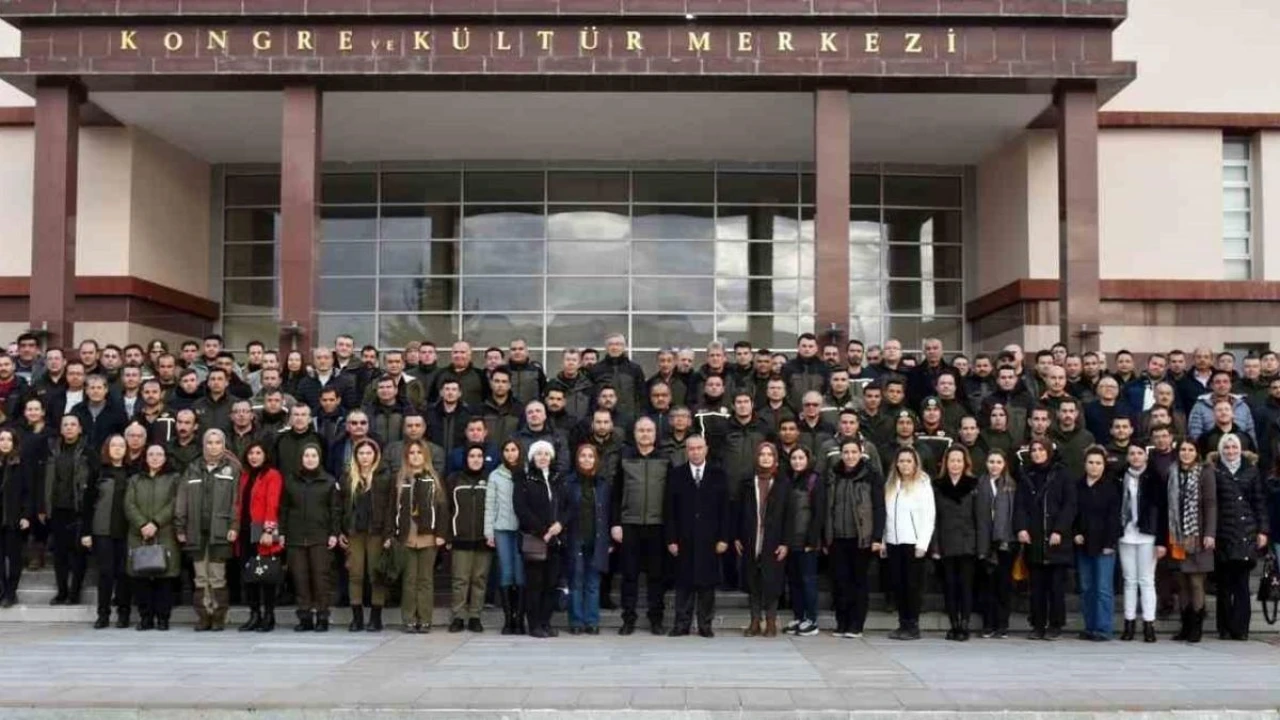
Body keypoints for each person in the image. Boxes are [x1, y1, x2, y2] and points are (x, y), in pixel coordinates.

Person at [175, 428, 241, 632]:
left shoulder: (232, 469)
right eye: (209, 443)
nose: (213, 447)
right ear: (203, 445)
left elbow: (237, 500)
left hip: (220, 530)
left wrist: (234, 525)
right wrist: (180, 525)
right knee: (200, 576)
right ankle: (204, 616)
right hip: (196, 531)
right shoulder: (193, 468)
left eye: (217, 442)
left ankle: (218, 616)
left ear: (224, 445)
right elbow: (182, 498)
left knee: (217, 575)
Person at [664, 435, 729, 638]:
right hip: (684, 537)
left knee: (707, 585)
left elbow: (725, 510)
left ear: (706, 449)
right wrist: (671, 539)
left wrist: (724, 538)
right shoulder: (676, 474)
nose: (695, 452)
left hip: (710, 539)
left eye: (699, 448)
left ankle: (705, 625)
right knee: (684, 584)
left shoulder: (718, 474)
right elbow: (669, 510)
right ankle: (681, 624)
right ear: (686, 451)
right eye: (691, 449)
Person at [612, 417, 672, 635]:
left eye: (649, 430)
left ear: (655, 434)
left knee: (657, 575)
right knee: (629, 575)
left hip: (657, 525)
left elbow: (670, 497)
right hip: (630, 524)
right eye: (641, 430)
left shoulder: (665, 459)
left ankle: (656, 619)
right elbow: (616, 494)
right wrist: (616, 523)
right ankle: (628, 619)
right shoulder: (625, 458)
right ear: (635, 434)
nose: (645, 434)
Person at [1015, 439, 1076, 640]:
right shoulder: (1026, 474)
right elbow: (1020, 504)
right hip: (1035, 538)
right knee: (1037, 587)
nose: (1037, 453)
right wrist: (1021, 528)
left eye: (1041, 449)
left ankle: (1055, 624)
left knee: (1056, 587)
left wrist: (1059, 530)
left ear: (1049, 451)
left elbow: (1069, 505)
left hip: (1056, 539)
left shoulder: (1062, 474)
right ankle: (1038, 624)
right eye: (1033, 450)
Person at [824, 438, 884, 639]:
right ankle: (841, 623)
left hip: (861, 538)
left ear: (861, 453)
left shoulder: (871, 475)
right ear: (841, 454)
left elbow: (879, 507)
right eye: (846, 452)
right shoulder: (833, 474)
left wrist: (877, 537)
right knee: (840, 582)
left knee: (858, 582)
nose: (850, 456)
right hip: (837, 537)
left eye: (854, 452)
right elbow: (827, 507)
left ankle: (856, 624)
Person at [1211, 433, 1268, 641]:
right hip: (1223, 533)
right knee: (1224, 584)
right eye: (1226, 447)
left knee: (1242, 584)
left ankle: (1241, 628)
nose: (1231, 451)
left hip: (1246, 532)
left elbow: (1259, 502)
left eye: (1234, 447)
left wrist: (1263, 530)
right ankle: (1225, 628)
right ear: (1221, 450)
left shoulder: (1251, 471)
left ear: (1240, 449)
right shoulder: (1214, 471)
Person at [390, 439, 449, 633]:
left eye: (419, 452)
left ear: (425, 456)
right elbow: (391, 509)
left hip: (428, 535)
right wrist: (392, 533)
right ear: (406, 456)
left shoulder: (434, 479)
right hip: (407, 535)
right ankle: (408, 618)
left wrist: (441, 534)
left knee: (425, 580)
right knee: (409, 580)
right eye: (411, 453)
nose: (415, 456)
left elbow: (442, 508)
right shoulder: (400, 479)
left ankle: (425, 619)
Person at [514, 440, 570, 639]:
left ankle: (546, 622)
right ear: (532, 457)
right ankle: (534, 624)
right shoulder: (524, 479)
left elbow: (568, 506)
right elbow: (521, 509)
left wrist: (560, 524)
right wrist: (542, 531)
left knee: (551, 582)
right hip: (535, 538)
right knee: (535, 584)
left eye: (546, 453)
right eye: (539, 453)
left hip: (556, 538)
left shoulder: (558, 479)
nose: (543, 457)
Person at [124, 444, 180, 631]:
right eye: (151, 454)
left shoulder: (174, 478)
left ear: (165, 457)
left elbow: (175, 503)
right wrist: (142, 524)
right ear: (145, 457)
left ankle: (163, 618)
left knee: (165, 578)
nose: (155, 458)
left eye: (159, 454)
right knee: (141, 578)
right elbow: (129, 504)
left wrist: (156, 523)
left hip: (164, 533)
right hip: (138, 534)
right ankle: (145, 618)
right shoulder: (135, 479)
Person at [882, 447, 936, 641]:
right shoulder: (891, 484)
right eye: (901, 461)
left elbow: (929, 515)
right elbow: (886, 515)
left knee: (912, 586)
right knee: (898, 585)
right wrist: (884, 541)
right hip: (894, 541)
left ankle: (913, 624)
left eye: (908, 461)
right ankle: (902, 623)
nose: (905, 464)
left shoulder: (922, 484)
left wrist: (923, 543)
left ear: (915, 463)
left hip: (913, 543)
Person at [1116, 444, 1168, 643]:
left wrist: (1161, 541)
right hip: (1126, 534)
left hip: (1148, 534)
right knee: (1129, 581)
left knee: (1146, 580)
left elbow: (1162, 512)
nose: (1136, 457)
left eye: (1139, 453)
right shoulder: (1120, 477)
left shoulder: (1155, 478)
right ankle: (1129, 623)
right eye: (1132, 454)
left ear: (1146, 456)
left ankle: (1149, 624)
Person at [1167, 438, 1216, 643]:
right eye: (1183, 450)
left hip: (1197, 534)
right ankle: (1185, 626)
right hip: (1177, 535)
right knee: (1182, 582)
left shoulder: (1205, 472)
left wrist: (1210, 533)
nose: (1186, 453)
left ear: (1197, 453)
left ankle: (1196, 627)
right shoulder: (1173, 472)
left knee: (1196, 582)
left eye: (1190, 450)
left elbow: (1211, 504)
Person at [81, 435, 133, 629]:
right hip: (102, 530)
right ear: (107, 449)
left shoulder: (132, 473)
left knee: (124, 574)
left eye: (121, 445)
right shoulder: (98, 472)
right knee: (105, 573)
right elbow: (87, 503)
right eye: (114, 445)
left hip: (126, 530)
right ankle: (103, 614)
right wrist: (86, 532)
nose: (117, 449)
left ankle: (124, 614)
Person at [43, 414, 94, 606]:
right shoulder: (52, 450)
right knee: (59, 555)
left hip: (78, 510)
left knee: (78, 554)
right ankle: (62, 592)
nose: (69, 428)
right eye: (66, 425)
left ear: (80, 429)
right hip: (57, 509)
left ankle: (74, 594)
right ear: (61, 429)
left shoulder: (88, 451)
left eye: (73, 424)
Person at [342, 438, 392, 633]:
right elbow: (339, 506)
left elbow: (390, 507)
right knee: (355, 574)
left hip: (376, 532)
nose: (365, 457)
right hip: (355, 532)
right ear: (355, 456)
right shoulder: (348, 477)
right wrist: (340, 530)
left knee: (376, 574)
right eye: (361, 453)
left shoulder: (384, 476)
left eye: (369, 453)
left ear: (375, 455)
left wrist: (388, 534)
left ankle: (376, 618)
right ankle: (357, 618)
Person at [931, 446, 978, 641]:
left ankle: (965, 624)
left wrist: (980, 546)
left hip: (968, 542)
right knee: (949, 586)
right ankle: (954, 624)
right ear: (946, 463)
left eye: (959, 460)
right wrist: (935, 547)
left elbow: (979, 517)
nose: (955, 464)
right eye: (952, 460)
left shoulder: (974, 485)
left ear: (965, 463)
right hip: (946, 542)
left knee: (965, 586)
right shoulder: (937, 486)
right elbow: (933, 518)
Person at [1073, 446, 1120, 641]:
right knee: (1086, 588)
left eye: (1098, 463)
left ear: (1104, 465)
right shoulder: (1077, 486)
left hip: (1104, 544)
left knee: (1103, 588)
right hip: (1083, 543)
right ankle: (1090, 626)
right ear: (1085, 464)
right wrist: (1075, 533)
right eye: (1091, 462)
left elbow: (1114, 518)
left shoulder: (1111, 487)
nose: (1094, 466)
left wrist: (1110, 543)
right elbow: (1072, 512)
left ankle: (1103, 628)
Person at [236, 442, 283, 633]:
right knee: (249, 574)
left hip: (262, 528)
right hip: (246, 530)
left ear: (265, 455)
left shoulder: (272, 475)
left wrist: (269, 530)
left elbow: (273, 504)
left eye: (258, 453)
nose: (254, 456)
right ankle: (254, 614)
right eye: (251, 453)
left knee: (266, 574)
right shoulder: (245, 476)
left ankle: (269, 616)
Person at [566, 443, 612, 635]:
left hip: (597, 539)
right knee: (576, 582)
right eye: (583, 455)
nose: (586, 459)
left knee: (593, 583)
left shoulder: (603, 484)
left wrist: (609, 541)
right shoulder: (569, 483)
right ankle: (576, 621)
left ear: (596, 460)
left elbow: (608, 513)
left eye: (590, 456)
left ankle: (592, 621)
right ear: (577, 459)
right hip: (575, 538)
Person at [446, 444, 492, 634]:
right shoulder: (454, 479)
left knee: (479, 579)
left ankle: (475, 616)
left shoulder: (490, 479)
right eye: (472, 456)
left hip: (483, 538)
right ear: (466, 459)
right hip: (460, 538)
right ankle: (458, 616)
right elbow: (447, 508)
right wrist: (448, 535)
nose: (476, 459)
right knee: (460, 579)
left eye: (479, 456)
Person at [975, 449, 1017, 638]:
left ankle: (1002, 624)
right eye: (991, 461)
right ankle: (988, 623)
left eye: (998, 462)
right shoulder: (980, 484)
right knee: (987, 585)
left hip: (1005, 542)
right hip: (985, 541)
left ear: (1004, 464)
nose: (994, 466)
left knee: (1003, 585)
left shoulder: (1011, 486)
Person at [485, 439, 525, 635]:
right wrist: (488, 532)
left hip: (523, 530)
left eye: (514, 449)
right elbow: (490, 505)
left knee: (520, 573)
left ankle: (520, 619)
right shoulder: (495, 475)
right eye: (507, 450)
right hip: (502, 528)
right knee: (506, 572)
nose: (511, 453)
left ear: (519, 451)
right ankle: (509, 619)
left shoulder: (526, 472)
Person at [0, 427, 31, 608]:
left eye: (8, 439)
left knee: (14, 559)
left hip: (14, 518)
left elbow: (28, 492)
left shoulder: (21, 463)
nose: (5, 443)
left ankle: (11, 592)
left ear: (14, 443)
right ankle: (2, 590)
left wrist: (26, 515)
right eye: (1, 439)